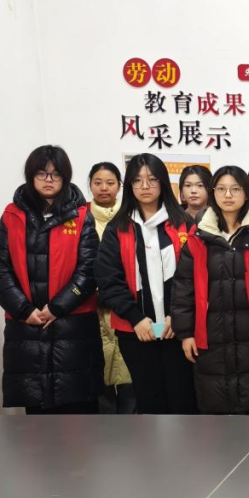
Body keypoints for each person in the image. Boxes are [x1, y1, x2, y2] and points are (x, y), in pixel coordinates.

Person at [0, 145, 102, 414]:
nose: (48, 180)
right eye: (41, 173)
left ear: (65, 177)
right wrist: (23, 310)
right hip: (26, 326)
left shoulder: (81, 215)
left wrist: (56, 308)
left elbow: (89, 270)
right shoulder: (12, 215)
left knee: (81, 417)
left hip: (73, 325)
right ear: (31, 176)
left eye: (55, 174)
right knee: (37, 419)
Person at [171, 166, 249, 415]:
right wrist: (186, 333)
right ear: (213, 193)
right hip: (212, 338)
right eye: (221, 189)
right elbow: (183, 289)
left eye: (235, 189)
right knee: (218, 415)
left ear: (246, 193)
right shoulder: (199, 236)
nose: (228, 195)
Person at [96, 153, 197, 414]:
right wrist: (135, 318)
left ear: (163, 182)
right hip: (136, 332)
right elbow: (108, 280)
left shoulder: (184, 224)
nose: (145, 186)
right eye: (138, 180)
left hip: (179, 330)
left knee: (183, 400)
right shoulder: (118, 228)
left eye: (152, 179)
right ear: (129, 185)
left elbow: (194, 276)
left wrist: (178, 316)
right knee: (149, 401)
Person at [88, 162, 135, 414]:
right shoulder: (80, 219)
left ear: (119, 186)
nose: (104, 188)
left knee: (132, 382)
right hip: (91, 310)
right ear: (90, 185)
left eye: (110, 183)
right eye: (98, 182)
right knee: (99, 381)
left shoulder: (131, 219)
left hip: (125, 309)